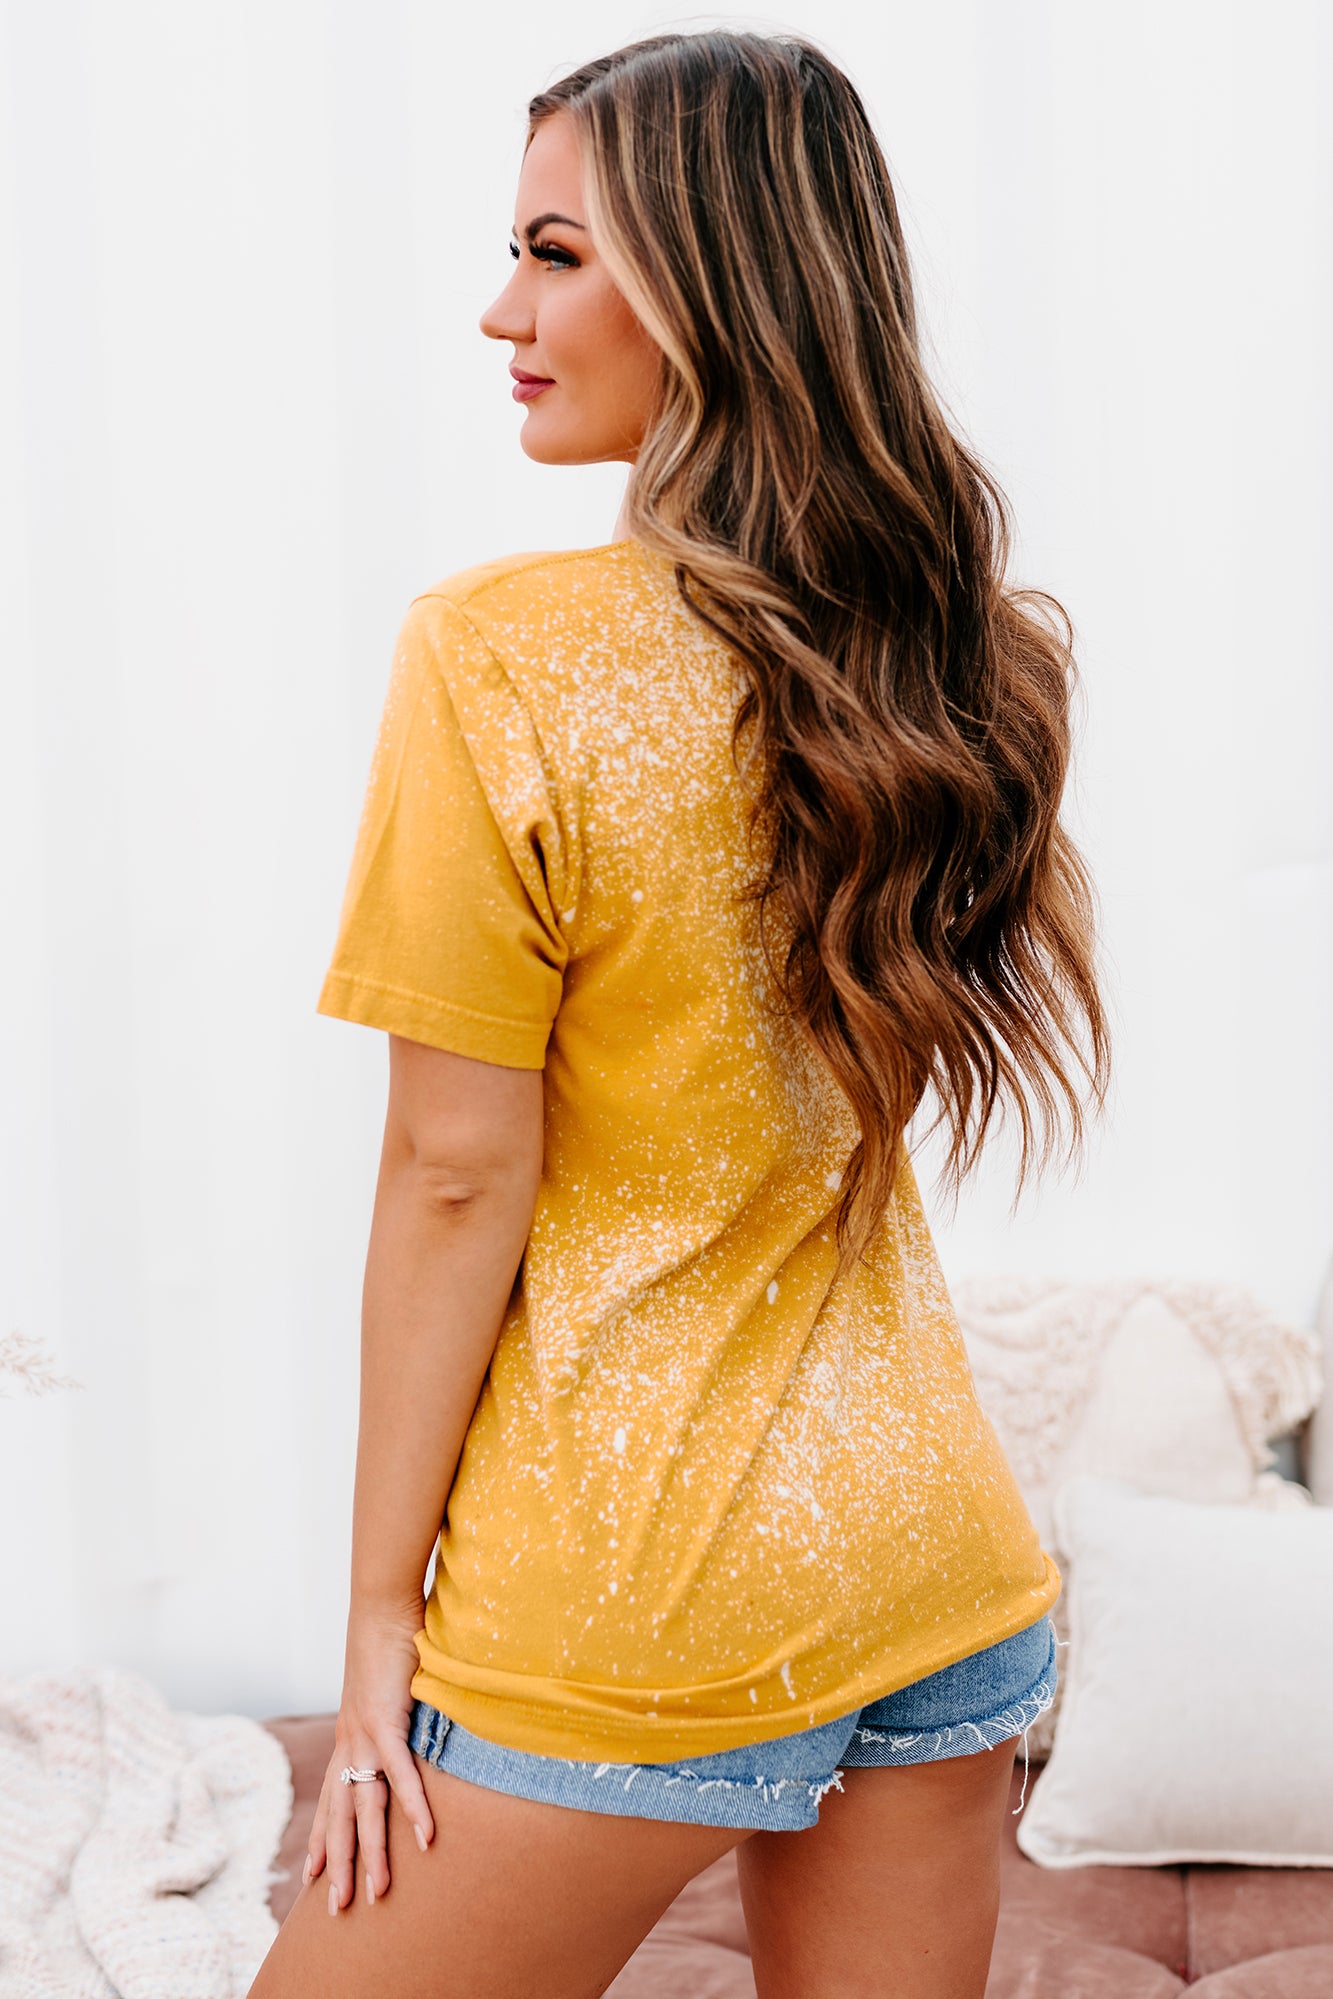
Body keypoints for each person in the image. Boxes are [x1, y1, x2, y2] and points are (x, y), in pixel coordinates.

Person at [247, 28, 1110, 1999]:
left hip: (628, 1585)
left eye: (554, 255)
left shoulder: (500, 658)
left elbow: (454, 1175)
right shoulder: (961, 659)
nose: (501, 312)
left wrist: (375, 1624)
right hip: (937, 1567)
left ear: (714, 287)